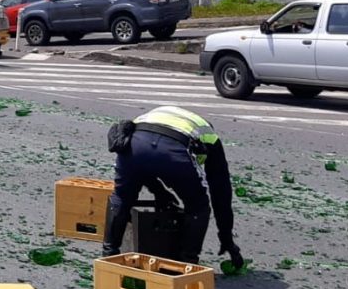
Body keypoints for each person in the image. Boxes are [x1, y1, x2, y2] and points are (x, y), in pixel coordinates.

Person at [103, 106, 243, 268]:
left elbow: (145, 161)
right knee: (198, 207)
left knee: (121, 198)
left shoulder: (159, 114)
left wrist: (160, 192)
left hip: (133, 147)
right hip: (175, 154)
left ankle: (108, 255)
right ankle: (186, 263)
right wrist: (227, 239)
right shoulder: (210, 138)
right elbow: (221, 194)